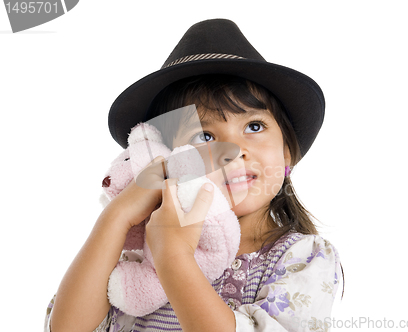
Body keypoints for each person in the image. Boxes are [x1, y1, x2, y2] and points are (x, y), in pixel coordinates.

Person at [45, 19, 343, 332]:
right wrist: (116, 217)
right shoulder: (131, 260)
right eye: (203, 136)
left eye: (254, 126)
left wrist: (173, 255)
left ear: (286, 153)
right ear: (165, 158)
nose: (235, 150)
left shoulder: (302, 259)